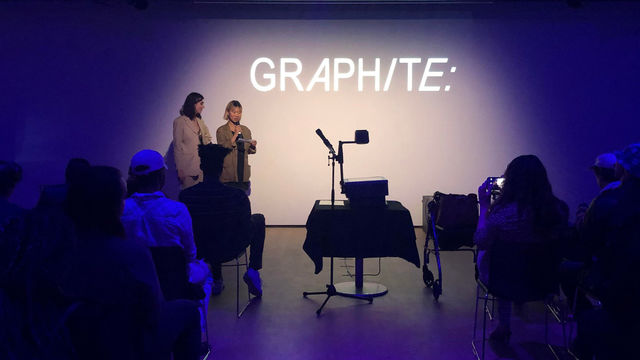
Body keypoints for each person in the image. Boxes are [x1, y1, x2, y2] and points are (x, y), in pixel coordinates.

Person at [63, 165, 200, 360]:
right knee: (189, 310)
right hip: (128, 341)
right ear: (116, 205)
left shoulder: (63, 248)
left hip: (79, 341)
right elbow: (153, 308)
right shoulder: (132, 252)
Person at [474, 155, 569, 343]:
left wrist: (484, 206)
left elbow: (480, 240)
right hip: (544, 283)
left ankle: (504, 325)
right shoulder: (558, 210)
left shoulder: (503, 213)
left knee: (492, 257)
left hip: (503, 283)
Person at [121, 149, 212, 345]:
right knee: (206, 275)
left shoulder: (121, 210)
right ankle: (198, 330)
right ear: (161, 176)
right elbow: (190, 254)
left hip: (134, 286)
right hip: (173, 284)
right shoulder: (177, 210)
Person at [574, 143, 640, 359]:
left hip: (618, 292)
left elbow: (586, 245)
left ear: (623, 169)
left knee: (573, 274)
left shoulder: (608, 202)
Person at [180, 144, 265, 297]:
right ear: (222, 167)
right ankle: (253, 269)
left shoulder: (186, 196)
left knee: (210, 228)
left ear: (201, 166)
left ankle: (217, 280)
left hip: (201, 250)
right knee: (258, 219)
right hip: (231, 249)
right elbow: (245, 227)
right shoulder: (237, 195)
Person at [215, 100, 256, 195]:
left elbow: (249, 150)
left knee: (242, 204)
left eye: (239, 112)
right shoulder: (221, 130)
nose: (236, 115)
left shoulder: (245, 130)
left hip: (243, 174)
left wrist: (252, 146)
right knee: (228, 205)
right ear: (228, 112)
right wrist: (235, 134)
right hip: (229, 174)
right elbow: (222, 148)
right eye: (234, 112)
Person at [173, 92, 213, 190]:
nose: (203, 107)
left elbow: (207, 138)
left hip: (202, 168)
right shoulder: (180, 121)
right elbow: (177, 147)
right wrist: (180, 169)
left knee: (201, 200)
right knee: (189, 199)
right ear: (193, 104)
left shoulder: (200, 121)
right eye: (201, 104)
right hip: (187, 169)